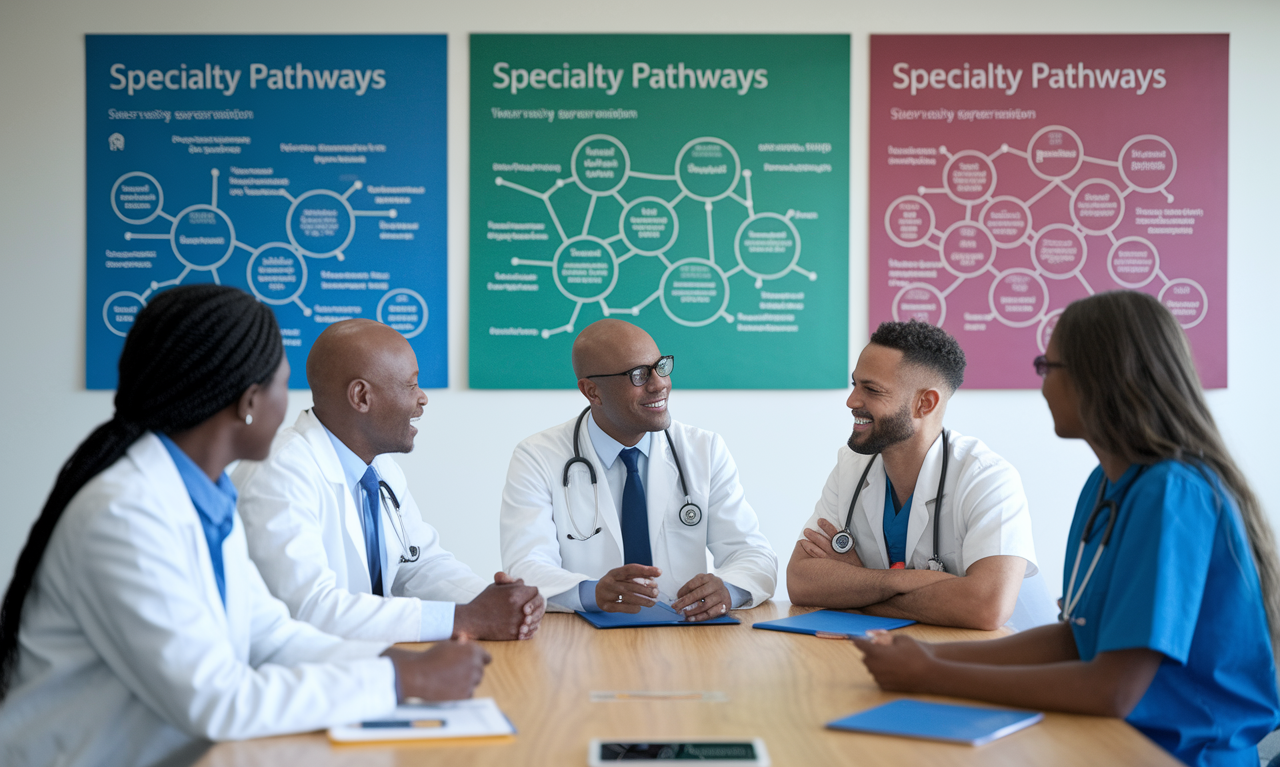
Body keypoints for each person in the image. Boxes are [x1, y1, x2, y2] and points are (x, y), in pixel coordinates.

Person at [0, 286, 489, 767]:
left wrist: (397, 664)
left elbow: (272, 636)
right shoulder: (124, 515)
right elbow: (217, 700)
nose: (295, 401)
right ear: (250, 403)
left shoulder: (204, 495)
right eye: (283, 384)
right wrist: (395, 682)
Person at [854, 292, 1280, 767]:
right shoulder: (1105, 485)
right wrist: (923, 655)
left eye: (1047, 366)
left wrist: (933, 674)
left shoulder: (1173, 494)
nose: (1041, 386)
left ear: (1102, 375)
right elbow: (1076, 637)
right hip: (1112, 749)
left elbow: (1112, 688)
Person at [234, 319, 545, 643]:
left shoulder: (379, 468)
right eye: (411, 385)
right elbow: (310, 609)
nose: (422, 398)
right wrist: (463, 618)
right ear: (361, 396)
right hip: (298, 677)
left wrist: (499, 600)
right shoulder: (279, 474)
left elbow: (419, 564)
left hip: (364, 664)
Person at [787, 320, 1057, 631]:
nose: (852, 402)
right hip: (919, 646)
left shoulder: (987, 478)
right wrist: (911, 580)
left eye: (871, 389)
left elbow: (985, 607)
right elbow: (801, 580)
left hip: (1011, 659)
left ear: (924, 403)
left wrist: (856, 588)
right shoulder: (853, 466)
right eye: (854, 385)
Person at [500, 319, 777, 619]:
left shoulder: (703, 450)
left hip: (686, 638)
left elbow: (755, 556)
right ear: (592, 391)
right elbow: (525, 567)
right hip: (582, 641)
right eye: (639, 375)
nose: (659, 384)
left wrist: (728, 590)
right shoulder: (537, 457)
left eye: (661, 366)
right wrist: (592, 592)